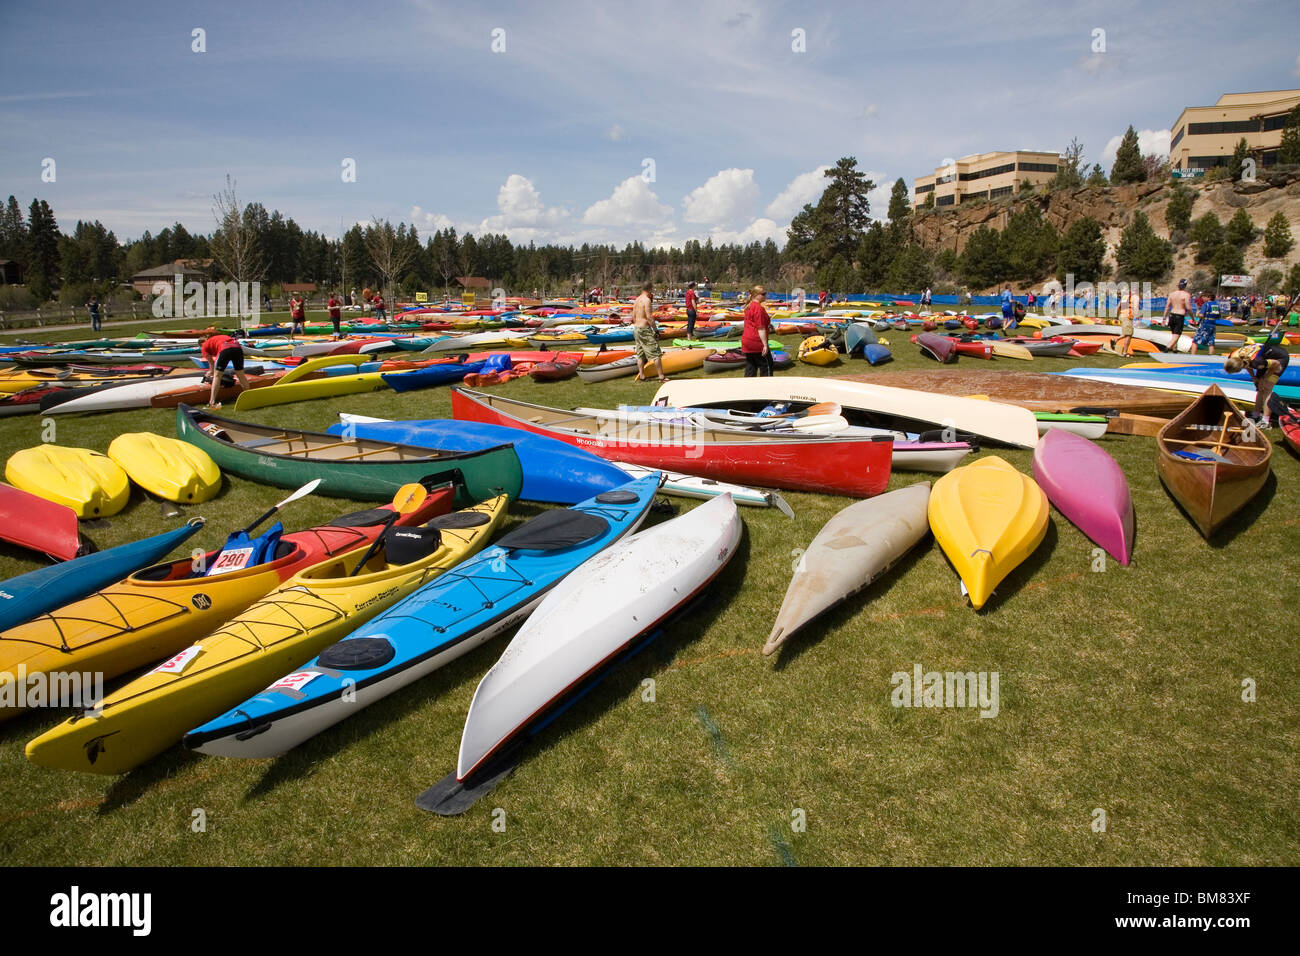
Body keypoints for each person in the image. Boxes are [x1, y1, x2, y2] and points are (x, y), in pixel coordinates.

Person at [1224, 340, 1289, 427]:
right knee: (1260, 387)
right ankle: (1255, 415)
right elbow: (1246, 363)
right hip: (1263, 358)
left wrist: (1264, 378)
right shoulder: (1233, 356)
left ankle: (1266, 421)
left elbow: (1276, 364)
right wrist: (1254, 378)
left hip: (1280, 359)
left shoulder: (1256, 363)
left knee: (1267, 388)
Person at [199, 328, 251, 408]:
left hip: (225, 348)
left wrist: (209, 373)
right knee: (240, 374)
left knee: (217, 376)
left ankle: (212, 402)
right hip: (237, 347)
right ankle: (249, 397)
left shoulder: (204, 347)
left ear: (201, 344)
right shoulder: (215, 339)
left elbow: (212, 365)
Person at [631, 281, 666, 383]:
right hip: (644, 329)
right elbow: (649, 317)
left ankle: (642, 376)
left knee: (640, 354)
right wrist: (655, 330)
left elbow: (633, 316)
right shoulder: (647, 300)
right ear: (650, 289)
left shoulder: (637, 300)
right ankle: (661, 377)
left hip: (636, 328)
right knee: (656, 353)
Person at [741, 285, 772, 377]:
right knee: (767, 366)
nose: (765, 296)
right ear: (757, 295)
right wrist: (765, 345)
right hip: (756, 341)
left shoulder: (749, 306)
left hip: (747, 340)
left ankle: (749, 388)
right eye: (763, 294)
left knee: (751, 367)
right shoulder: (758, 308)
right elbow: (761, 328)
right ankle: (767, 388)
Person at [1162, 278, 1192, 351]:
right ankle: (1167, 348)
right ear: (1185, 286)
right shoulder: (1186, 295)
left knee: (1174, 333)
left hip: (1172, 315)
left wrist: (1164, 318)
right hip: (1179, 315)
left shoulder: (1172, 294)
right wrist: (1192, 318)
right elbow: (1188, 308)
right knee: (1177, 334)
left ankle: (1174, 349)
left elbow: (1167, 307)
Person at [1115, 287, 1140, 356]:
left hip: (1122, 316)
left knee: (1128, 332)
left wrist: (1116, 317)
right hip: (1127, 316)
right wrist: (1137, 317)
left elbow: (1118, 307)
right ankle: (1125, 352)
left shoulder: (1125, 297)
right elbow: (1136, 307)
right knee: (1129, 334)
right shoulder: (1136, 297)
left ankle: (1115, 340)